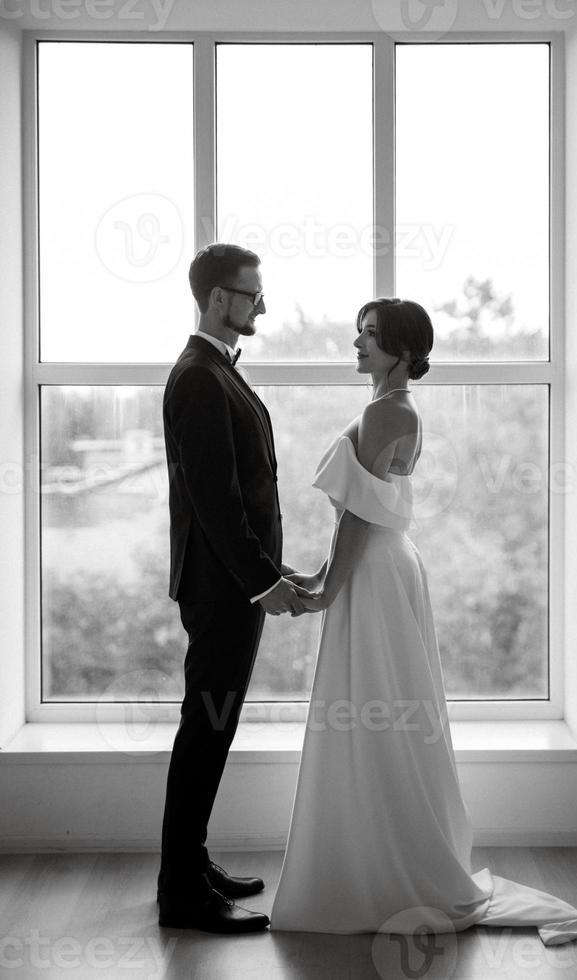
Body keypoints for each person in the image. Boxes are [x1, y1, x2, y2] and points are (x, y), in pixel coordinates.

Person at [270, 298, 577, 945]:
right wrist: (319, 575)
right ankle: (389, 858)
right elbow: (363, 513)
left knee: (373, 706)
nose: (357, 344)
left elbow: (360, 515)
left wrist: (323, 591)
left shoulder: (382, 411)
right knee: (386, 708)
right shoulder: (400, 409)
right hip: (388, 566)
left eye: (370, 336)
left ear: (401, 350)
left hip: (373, 569)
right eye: (359, 332)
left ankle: (374, 870)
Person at [158, 243, 310, 935]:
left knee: (211, 729)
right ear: (219, 298)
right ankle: (181, 893)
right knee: (206, 729)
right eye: (252, 295)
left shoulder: (216, 371)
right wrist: (261, 584)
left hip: (232, 587)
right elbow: (216, 502)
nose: (263, 306)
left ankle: (190, 864)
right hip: (222, 591)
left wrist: (271, 575)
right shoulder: (198, 377)